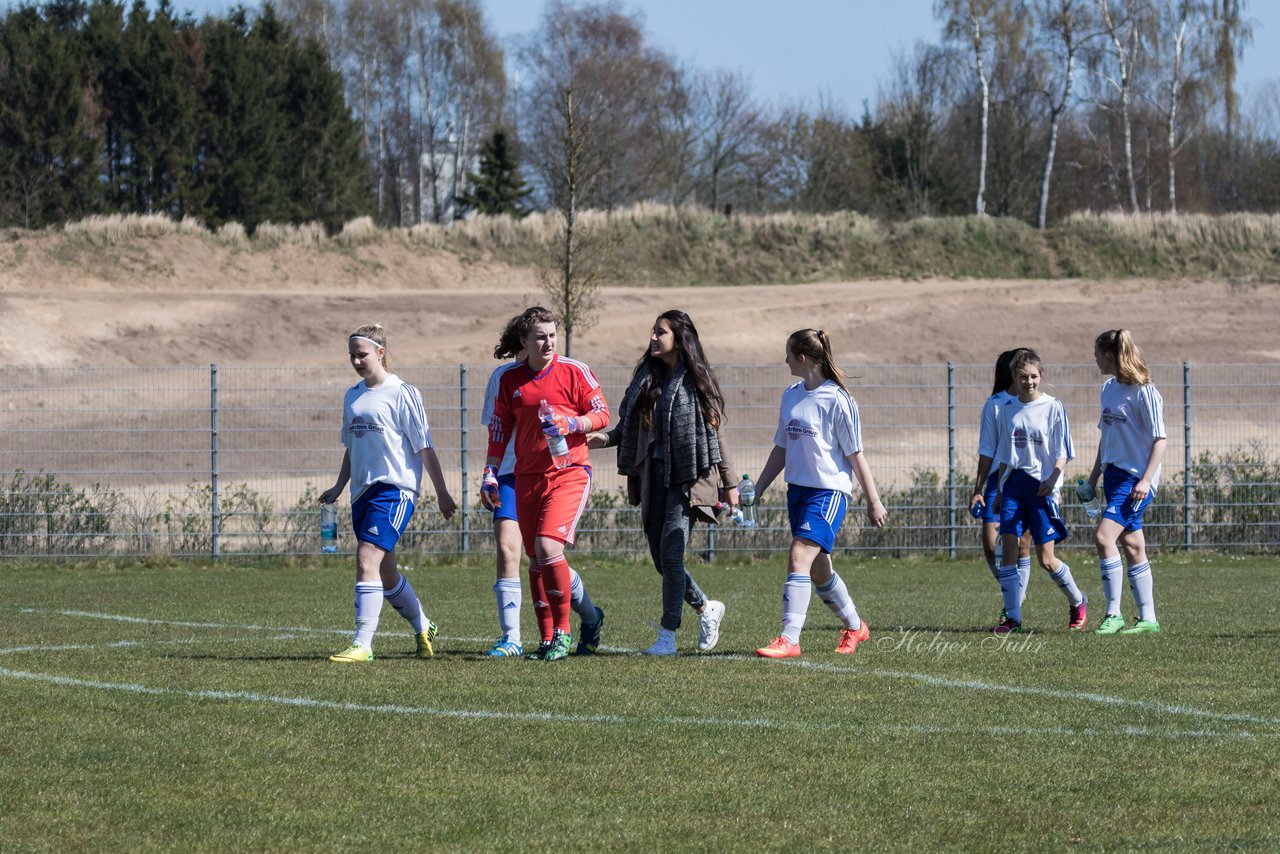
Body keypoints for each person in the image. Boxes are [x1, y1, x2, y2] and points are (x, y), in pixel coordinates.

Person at [589, 310, 735, 656]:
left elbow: (717, 435)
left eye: (660, 332)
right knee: (662, 561)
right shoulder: (646, 378)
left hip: (687, 478)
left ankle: (668, 635)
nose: (653, 337)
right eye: (653, 332)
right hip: (651, 479)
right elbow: (627, 430)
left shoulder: (698, 381)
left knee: (671, 552)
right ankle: (706, 607)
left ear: (679, 338)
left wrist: (730, 484)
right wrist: (604, 440)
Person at [321, 324, 457, 663]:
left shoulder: (403, 392)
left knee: (366, 557)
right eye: (351, 354)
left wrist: (442, 493)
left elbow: (424, 447)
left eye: (362, 354)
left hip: (395, 490)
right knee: (386, 571)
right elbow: (352, 447)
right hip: (361, 492)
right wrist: (339, 486)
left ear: (380, 352)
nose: (355, 360)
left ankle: (362, 644)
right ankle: (423, 625)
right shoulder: (352, 395)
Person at [481, 306, 610, 662]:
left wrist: (573, 424)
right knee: (535, 557)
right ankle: (547, 637)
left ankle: (564, 633)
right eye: (540, 336)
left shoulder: (575, 371)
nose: (548, 341)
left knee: (548, 547)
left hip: (569, 473)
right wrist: (490, 471)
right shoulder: (510, 380)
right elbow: (499, 429)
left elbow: (602, 414)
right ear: (524, 341)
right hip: (526, 476)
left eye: (552, 334)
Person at [751, 329, 888, 659]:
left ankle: (789, 639)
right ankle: (856, 627)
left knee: (799, 555)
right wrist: (757, 489)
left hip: (828, 493)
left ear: (801, 357)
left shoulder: (838, 400)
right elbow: (781, 448)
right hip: (797, 492)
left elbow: (856, 454)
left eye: (787, 354)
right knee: (818, 569)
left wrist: (873, 500)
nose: (784, 360)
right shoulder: (790, 395)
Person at [991, 350, 1085, 634]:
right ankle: (1013, 618)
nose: (1028, 382)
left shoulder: (1053, 406)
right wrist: (998, 490)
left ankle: (1078, 601)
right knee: (1009, 546)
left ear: (1041, 376)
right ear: (1015, 378)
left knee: (1046, 559)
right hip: (1013, 485)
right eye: (1023, 377)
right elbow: (1005, 455)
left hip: (1042, 487)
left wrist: (1053, 479)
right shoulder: (1007, 408)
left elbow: (1063, 452)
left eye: (1033, 376)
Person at [1080, 329, 1166, 635]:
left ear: (1111, 356)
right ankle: (1148, 619)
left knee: (1104, 538)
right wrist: (1092, 479)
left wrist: (1145, 480)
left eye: (1097, 354)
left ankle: (1113, 614)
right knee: (1132, 545)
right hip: (1114, 476)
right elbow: (1107, 438)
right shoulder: (1107, 389)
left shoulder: (1145, 391)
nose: (1095, 359)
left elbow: (1160, 440)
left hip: (1135, 480)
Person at [968, 349, 1035, 620]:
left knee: (1022, 545)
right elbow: (986, 449)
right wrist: (978, 488)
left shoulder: (1038, 403)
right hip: (998, 480)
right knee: (989, 542)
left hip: (1028, 478)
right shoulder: (995, 404)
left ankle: (1013, 606)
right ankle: (1012, 588)